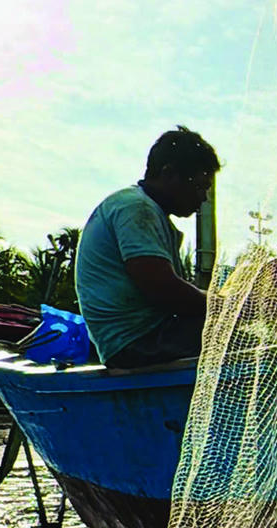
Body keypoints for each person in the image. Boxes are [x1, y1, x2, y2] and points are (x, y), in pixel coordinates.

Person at [76, 127, 220, 370]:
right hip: (136, 343)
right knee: (245, 338)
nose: (204, 198)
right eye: (199, 186)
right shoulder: (135, 209)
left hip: (146, 337)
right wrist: (229, 308)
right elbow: (163, 290)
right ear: (169, 174)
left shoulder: (148, 211)